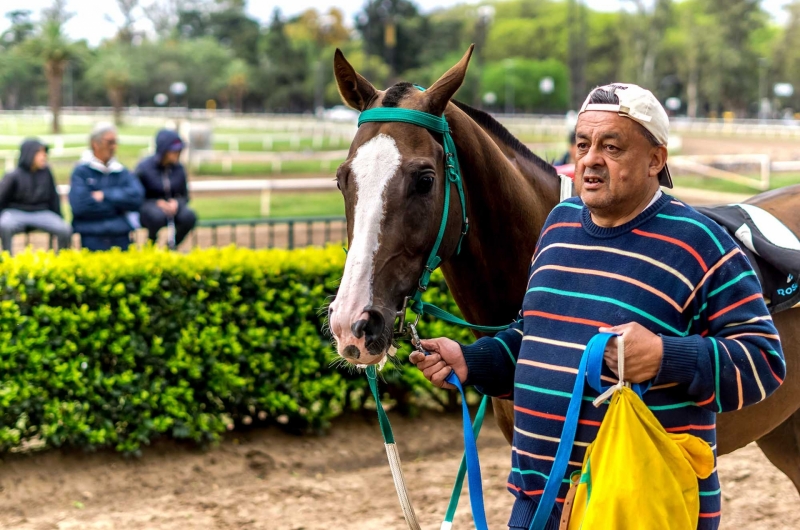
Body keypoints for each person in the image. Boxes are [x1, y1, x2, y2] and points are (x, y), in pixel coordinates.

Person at [411, 84, 785, 530]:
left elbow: (764, 363)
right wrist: (472, 360)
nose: (590, 159)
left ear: (655, 160)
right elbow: (536, 337)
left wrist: (665, 358)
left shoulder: (702, 244)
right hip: (538, 503)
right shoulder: (558, 226)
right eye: (583, 144)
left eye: (612, 146)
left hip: (642, 509)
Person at [69, 123, 144, 251]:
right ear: (95, 144)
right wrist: (118, 206)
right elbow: (80, 206)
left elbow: (137, 198)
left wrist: (105, 195)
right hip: (91, 232)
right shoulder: (81, 171)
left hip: (120, 232)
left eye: (115, 142)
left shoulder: (121, 171)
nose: (114, 147)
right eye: (110, 142)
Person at [0, 139, 72, 253]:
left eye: (45, 152)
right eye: (40, 152)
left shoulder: (46, 172)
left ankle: (62, 260)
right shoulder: (13, 176)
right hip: (16, 212)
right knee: (4, 225)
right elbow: (1, 198)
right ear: (29, 154)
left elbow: (54, 197)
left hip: (41, 212)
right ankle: (7, 260)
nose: (44, 156)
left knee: (64, 229)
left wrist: (59, 217)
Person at [135, 129, 196, 248]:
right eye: (174, 150)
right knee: (157, 216)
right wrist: (157, 203)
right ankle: (150, 245)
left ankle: (171, 247)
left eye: (179, 150)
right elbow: (136, 195)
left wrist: (177, 203)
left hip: (173, 209)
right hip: (150, 209)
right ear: (163, 150)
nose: (177, 153)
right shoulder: (144, 168)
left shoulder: (179, 169)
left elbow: (185, 195)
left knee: (189, 216)